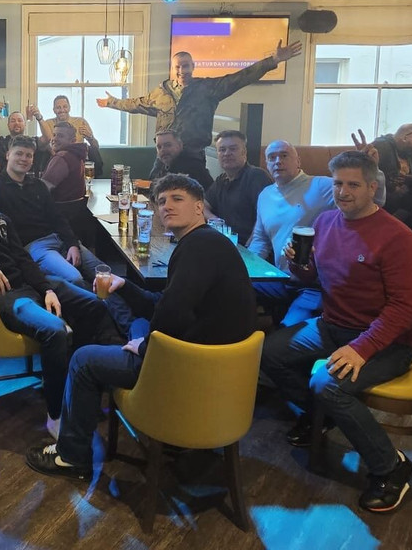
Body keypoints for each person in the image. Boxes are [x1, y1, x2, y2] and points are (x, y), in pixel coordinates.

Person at [25, 173, 256, 479]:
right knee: (135, 322)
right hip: (213, 357)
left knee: (82, 360)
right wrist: (125, 286)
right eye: (161, 201)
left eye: (177, 199)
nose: (167, 206)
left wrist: (146, 347)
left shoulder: (197, 247)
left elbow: (173, 312)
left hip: (193, 363)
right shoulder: (206, 242)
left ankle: (71, 456)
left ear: (199, 207)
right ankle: (112, 369)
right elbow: (166, 303)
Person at [261, 150, 412, 513]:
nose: (343, 192)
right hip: (332, 326)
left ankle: (392, 467)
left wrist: (362, 348)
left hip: (386, 344)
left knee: (328, 385)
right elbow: (312, 277)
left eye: (353, 185)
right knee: (269, 353)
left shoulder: (399, 239)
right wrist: (298, 265)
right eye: (338, 184)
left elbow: (405, 309)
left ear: (372, 188)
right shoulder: (324, 222)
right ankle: (319, 416)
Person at [0, 155, 121, 438]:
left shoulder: (0, 218)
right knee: (55, 330)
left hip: (30, 285)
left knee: (95, 305)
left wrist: (47, 290)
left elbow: (23, 259)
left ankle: (81, 384)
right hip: (6, 295)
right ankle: (56, 415)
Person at [97, 42, 302, 157]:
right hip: (164, 157)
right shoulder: (161, 92)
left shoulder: (208, 88)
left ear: (193, 67)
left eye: (186, 66)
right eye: (177, 67)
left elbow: (240, 78)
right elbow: (136, 104)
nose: (182, 70)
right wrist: (112, 103)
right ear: (172, 69)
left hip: (193, 156)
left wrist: (273, 60)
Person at [0, 136, 102, 287]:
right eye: (19, 153)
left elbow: (57, 217)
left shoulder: (38, 185)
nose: (24, 159)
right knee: (75, 278)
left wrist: (72, 244)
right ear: (8, 155)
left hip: (59, 238)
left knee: (103, 273)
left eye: (29, 155)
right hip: (35, 246)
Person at [248, 140, 333, 327]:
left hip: (314, 285)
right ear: (267, 165)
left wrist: (372, 168)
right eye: (272, 158)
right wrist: (246, 269)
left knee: (287, 332)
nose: (278, 161)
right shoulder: (265, 195)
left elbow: (373, 198)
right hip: (280, 279)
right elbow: (260, 240)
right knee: (227, 287)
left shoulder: (322, 186)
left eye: (284, 155)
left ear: (298, 161)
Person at [204, 129, 272, 244]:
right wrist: (215, 220)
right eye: (222, 150)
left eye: (233, 149)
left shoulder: (256, 177)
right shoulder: (221, 180)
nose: (227, 153)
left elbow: (265, 218)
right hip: (225, 243)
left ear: (244, 152)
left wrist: (249, 249)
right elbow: (202, 206)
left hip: (248, 247)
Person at [369, 123, 412, 224]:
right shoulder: (382, 146)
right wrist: (394, 188)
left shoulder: (410, 151)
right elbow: (371, 174)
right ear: (405, 138)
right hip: (382, 195)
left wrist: (408, 179)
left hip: (403, 195)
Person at [149, 130, 214, 190]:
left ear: (180, 145)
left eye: (168, 145)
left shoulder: (192, 166)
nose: (163, 150)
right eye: (159, 147)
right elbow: (152, 184)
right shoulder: (162, 162)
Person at [34, 95, 99, 153]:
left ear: (69, 108)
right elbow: (42, 145)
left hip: (77, 158)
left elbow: (96, 147)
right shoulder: (48, 123)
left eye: (65, 107)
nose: (62, 110)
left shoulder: (80, 122)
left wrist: (90, 137)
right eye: (58, 107)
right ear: (54, 110)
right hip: (55, 158)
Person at [42, 121, 88, 202]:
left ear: (73, 141)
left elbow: (42, 189)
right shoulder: (77, 155)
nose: (54, 139)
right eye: (54, 135)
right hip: (75, 208)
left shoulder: (61, 157)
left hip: (58, 208)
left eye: (60, 136)